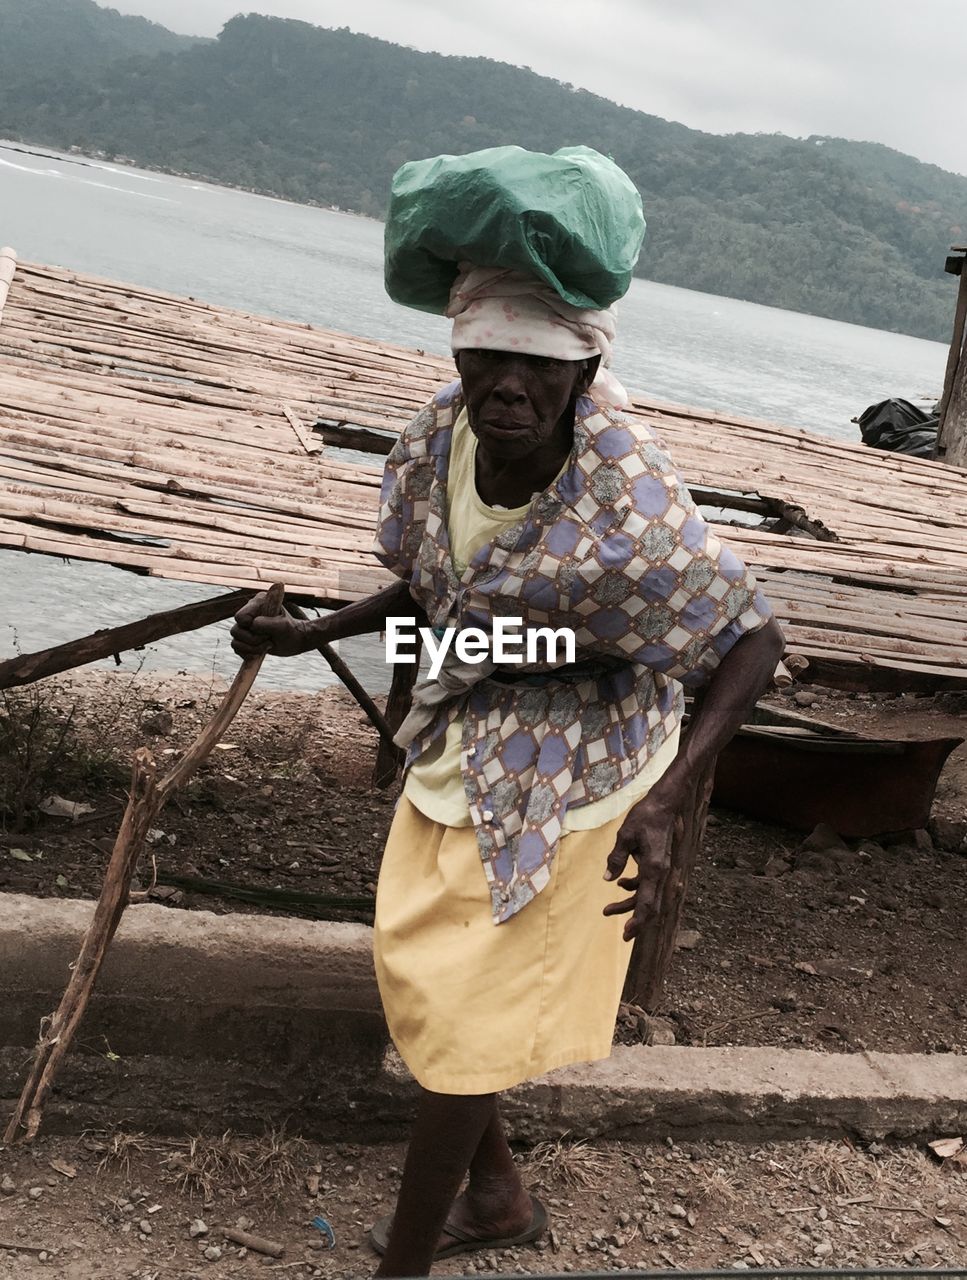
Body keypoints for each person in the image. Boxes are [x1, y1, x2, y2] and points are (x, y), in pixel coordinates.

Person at [232, 191, 784, 1280]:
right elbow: (434, 578)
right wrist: (312, 633)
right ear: (459, 349)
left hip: (582, 756)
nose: (509, 385)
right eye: (487, 356)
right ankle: (495, 1193)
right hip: (473, 711)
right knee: (417, 966)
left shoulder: (628, 499)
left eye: (537, 365)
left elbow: (753, 641)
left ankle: (402, 1260)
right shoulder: (442, 434)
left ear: (584, 372)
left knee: (472, 1010)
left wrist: (668, 798)